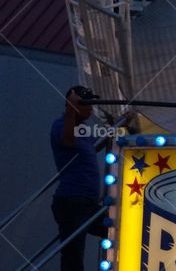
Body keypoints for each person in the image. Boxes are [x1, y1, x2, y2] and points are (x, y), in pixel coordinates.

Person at [50, 86, 106, 271]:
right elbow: (67, 140)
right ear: (74, 106)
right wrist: (70, 110)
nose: (91, 108)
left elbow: (96, 145)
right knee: (73, 257)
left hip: (87, 205)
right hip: (72, 203)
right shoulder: (62, 125)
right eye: (87, 104)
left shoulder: (83, 130)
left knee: (116, 228)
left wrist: (119, 126)